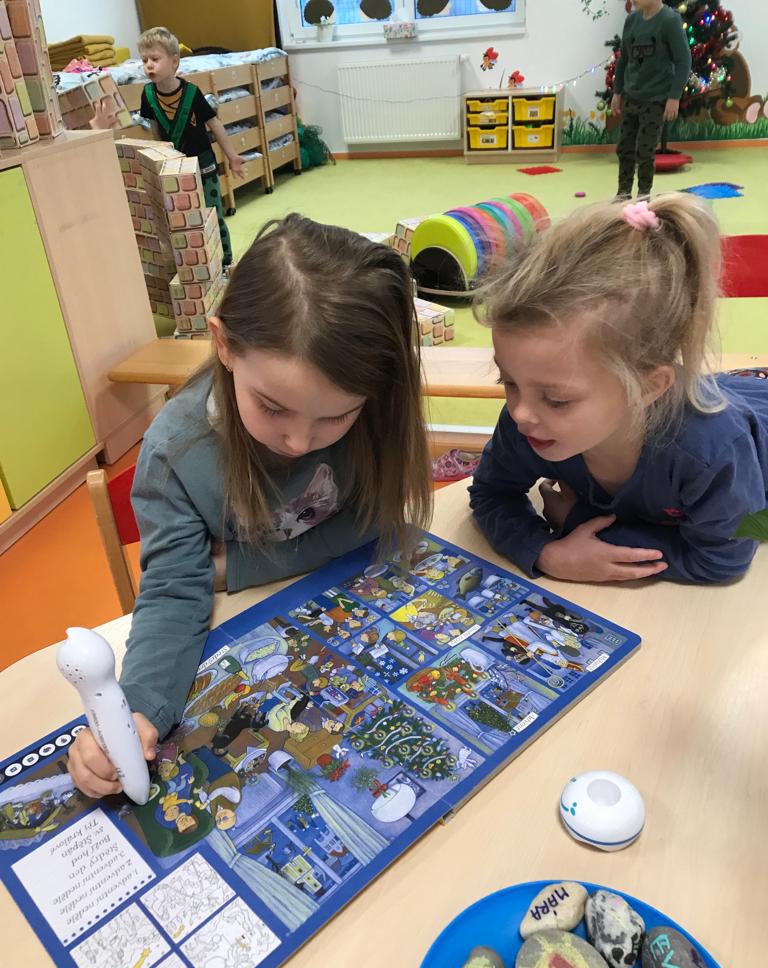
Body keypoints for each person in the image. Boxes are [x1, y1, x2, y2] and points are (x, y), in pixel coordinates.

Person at [68, 214, 433, 797]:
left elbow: (381, 518)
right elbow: (173, 593)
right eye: (273, 407)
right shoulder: (177, 450)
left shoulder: (376, 408)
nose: (299, 441)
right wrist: (137, 709)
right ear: (224, 344)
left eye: (337, 416)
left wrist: (233, 566)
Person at [469, 193, 768, 586]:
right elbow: (489, 493)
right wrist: (546, 552)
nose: (520, 413)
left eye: (557, 400)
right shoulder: (530, 419)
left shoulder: (712, 451)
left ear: (647, 388)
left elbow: (722, 558)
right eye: (508, 381)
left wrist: (579, 521)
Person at [137, 26, 244, 266]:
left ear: (174, 61)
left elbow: (214, 124)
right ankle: (196, 264)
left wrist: (232, 156)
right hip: (175, 166)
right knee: (181, 219)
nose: (149, 65)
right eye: (144, 60)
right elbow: (155, 129)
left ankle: (226, 262)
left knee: (213, 215)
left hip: (203, 164)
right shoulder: (148, 95)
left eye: (155, 59)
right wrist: (159, 159)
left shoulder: (192, 93)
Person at [611, 0, 691, 199]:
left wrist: (674, 96)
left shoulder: (669, 20)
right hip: (632, 96)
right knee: (625, 148)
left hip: (656, 99)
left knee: (645, 151)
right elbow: (623, 59)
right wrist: (617, 92)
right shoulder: (632, 20)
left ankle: (643, 195)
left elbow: (683, 60)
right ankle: (623, 193)